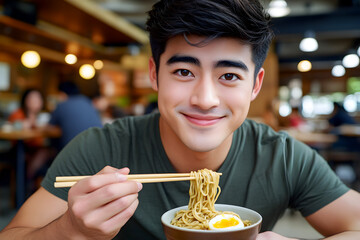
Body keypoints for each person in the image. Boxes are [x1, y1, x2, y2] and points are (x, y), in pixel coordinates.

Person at [1, 0, 360, 239]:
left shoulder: (281, 155)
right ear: (155, 75)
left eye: (230, 76)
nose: (204, 99)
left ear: (255, 84)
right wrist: (70, 230)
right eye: (185, 72)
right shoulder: (101, 149)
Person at [8, 89, 54, 181]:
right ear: (25, 100)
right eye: (32, 98)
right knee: (43, 153)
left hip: (36, 148)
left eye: (38, 99)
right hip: (20, 148)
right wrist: (26, 123)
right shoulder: (19, 113)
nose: (36, 101)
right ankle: (28, 181)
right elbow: (12, 125)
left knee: (50, 151)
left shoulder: (43, 116)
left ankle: (30, 181)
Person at [48, 81, 103, 150]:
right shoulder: (87, 101)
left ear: (62, 94)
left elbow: (49, 128)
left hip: (75, 151)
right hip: (99, 148)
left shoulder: (62, 105)